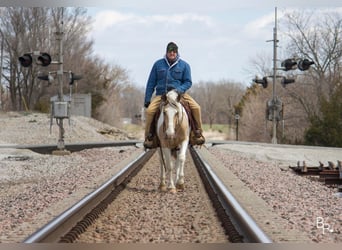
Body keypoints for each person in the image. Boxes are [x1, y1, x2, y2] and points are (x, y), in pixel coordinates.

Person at [143, 41, 205, 149]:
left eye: (174, 52)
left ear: (177, 52)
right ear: (166, 52)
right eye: (170, 52)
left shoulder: (185, 65)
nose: (172, 54)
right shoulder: (158, 64)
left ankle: (197, 134)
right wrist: (147, 99)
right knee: (149, 111)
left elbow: (188, 82)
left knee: (196, 107)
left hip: (179, 94)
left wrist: (178, 90)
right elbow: (151, 83)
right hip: (161, 95)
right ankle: (149, 137)